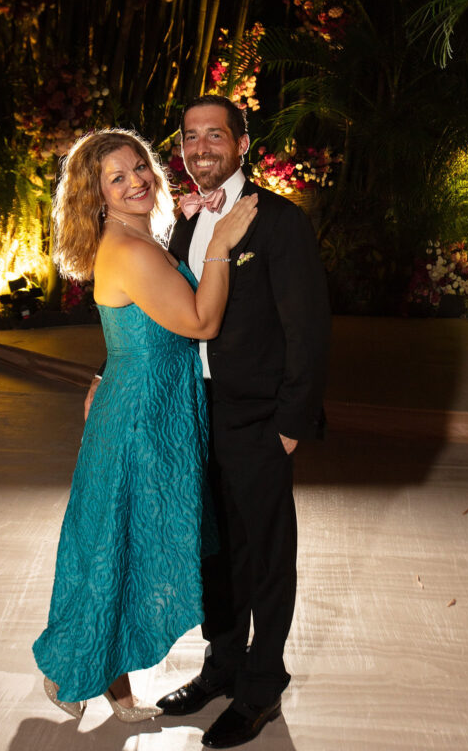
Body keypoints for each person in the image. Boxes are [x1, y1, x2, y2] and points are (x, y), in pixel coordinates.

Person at [32, 128, 258, 723]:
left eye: (140, 167)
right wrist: (222, 243)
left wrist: (102, 376)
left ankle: (110, 683)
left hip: (145, 407)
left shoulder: (137, 239)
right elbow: (202, 322)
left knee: (120, 547)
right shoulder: (130, 249)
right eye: (117, 176)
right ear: (96, 195)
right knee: (116, 548)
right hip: (139, 423)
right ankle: (71, 666)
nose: (137, 180)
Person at [155, 95, 331, 749]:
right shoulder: (180, 218)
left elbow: (307, 330)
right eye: (190, 137)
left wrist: (290, 423)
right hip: (193, 411)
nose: (201, 148)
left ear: (242, 142)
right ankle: (221, 664)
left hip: (256, 417)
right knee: (212, 550)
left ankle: (262, 681)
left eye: (214, 136)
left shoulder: (277, 222)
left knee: (264, 552)